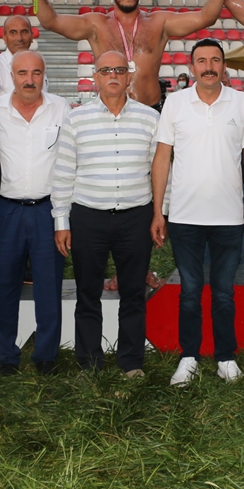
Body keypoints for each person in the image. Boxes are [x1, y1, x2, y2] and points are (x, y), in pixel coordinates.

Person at [151, 39, 244, 386]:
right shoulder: (175, 104)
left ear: (224, 66)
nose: (209, 66)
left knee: (224, 292)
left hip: (230, 218)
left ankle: (226, 357)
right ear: (192, 66)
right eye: (201, 60)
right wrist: (158, 211)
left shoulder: (241, 103)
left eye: (215, 60)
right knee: (190, 292)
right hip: (184, 217)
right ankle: (188, 357)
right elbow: (162, 158)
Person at [53, 51, 159, 377]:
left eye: (118, 69)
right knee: (87, 294)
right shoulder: (75, 118)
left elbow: (160, 172)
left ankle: (131, 362)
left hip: (136, 216)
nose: (112, 75)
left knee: (133, 294)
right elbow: (62, 172)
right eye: (105, 70)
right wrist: (61, 221)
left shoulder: (150, 118)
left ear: (129, 77)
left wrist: (160, 213)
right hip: (88, 217)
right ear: (95, 78)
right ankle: (89, 363)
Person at [24, 0, 231, 109]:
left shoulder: (160, 22)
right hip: (109, 110)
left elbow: (206, 17)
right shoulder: (96, 24)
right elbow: (50, 21)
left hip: (151, 109)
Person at [0, 51, 69, 376]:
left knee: (49, 286)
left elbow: (68, 162)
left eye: (36, 72)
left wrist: (63, 217)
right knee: (4, 284)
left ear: (44, 74)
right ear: (12, 75)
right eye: (22, 72)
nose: (29, 79)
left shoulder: (60, 108)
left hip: (47, 210)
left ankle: (47, 355)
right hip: (5, 210)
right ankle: (5, 356)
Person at [0, 15, 44, 103]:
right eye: (13, 32)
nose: (19, 38)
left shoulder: (38, 64)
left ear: (32, 36)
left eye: (24, 32)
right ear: (4, 37)